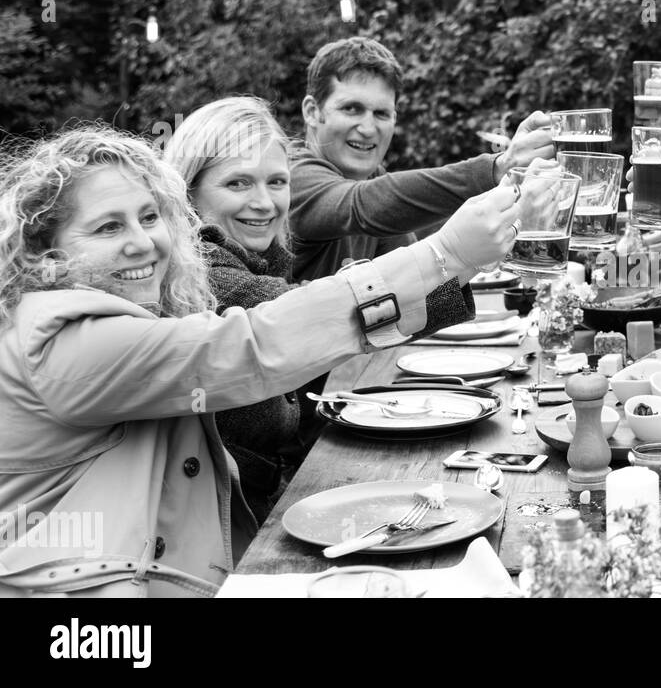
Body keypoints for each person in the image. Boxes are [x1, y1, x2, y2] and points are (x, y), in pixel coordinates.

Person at [0, 125, 519, 596]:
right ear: (44, 252)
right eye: (108, 228)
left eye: (150, 216)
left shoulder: (113, 313)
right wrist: (443, 253)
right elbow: (252, 348)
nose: (142, 242)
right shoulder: (63, 339)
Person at [290, 36, 554, 282]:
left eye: (381, 113)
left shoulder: (377, 186)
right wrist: (498, 168)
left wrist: (511, 211)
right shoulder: (289, 177)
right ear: (312, 112)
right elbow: (363, 205)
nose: (368, 128)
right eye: (351, 109)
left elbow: (415, 287)